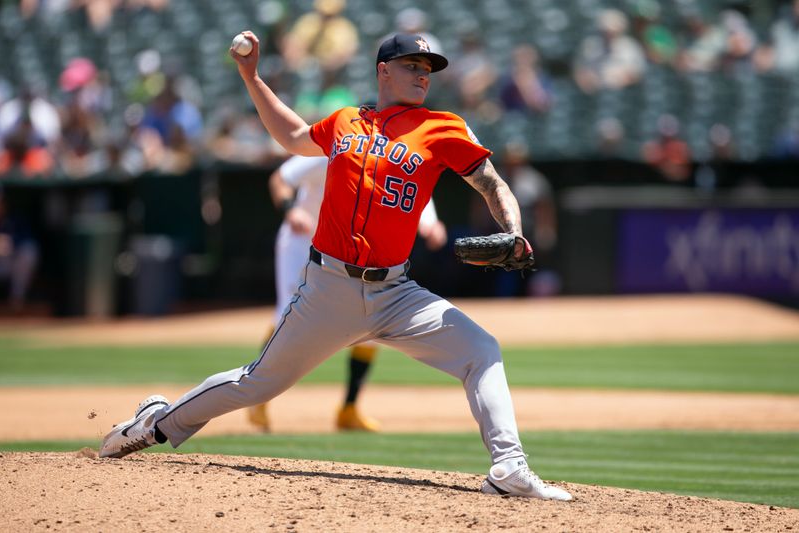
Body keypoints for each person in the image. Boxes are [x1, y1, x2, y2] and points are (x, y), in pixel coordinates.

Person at [99, 31, 573, 501]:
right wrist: (251, 76)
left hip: (396, 294)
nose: (422, 75)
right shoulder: (346, 121)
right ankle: (154, 424)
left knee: (481, 350)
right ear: (383, 71)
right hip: (328, 287)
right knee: (257, 384)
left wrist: (513, 231)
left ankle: (509, 466)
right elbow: (293, 136)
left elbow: (492, 185)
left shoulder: (443, 127)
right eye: (412, 65)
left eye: (427, 69)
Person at [247, 154, 447, 432]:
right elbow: (279, 179)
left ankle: (349, 409)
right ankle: (257, 396)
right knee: (288, 313)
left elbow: (411, 186)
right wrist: (290, 209)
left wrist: (430, 221)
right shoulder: (331, 149)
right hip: (302, 239)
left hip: (345, 250)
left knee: (371, 316)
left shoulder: (392, 153)